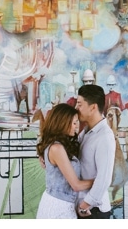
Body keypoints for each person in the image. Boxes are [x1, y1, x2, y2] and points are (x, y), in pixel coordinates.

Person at [35, 103, 93, 219]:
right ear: (63, 123)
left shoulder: (60, 145)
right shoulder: (57, 148)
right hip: (58, 208)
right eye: (74, 123)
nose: (76, 126)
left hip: (61, 204)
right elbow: (76, 185)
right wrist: (101, 181)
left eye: (77, 122)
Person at [74, 84, 116, 219]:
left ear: (93, 107)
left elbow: (104, 178)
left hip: (93, 211)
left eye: (79, 104)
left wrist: (85, 205)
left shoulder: (104, 137)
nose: (76, 108)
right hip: (84, 207)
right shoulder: (86, 132)